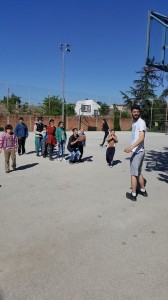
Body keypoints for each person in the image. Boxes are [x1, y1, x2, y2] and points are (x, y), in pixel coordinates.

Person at [124, 104, 148, 201]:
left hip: (137, 152)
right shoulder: (134, 122)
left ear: (139, 112)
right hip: (138, 151)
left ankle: (133, 195)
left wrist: (131, 147)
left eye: (138, 112)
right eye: (134, 112)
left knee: (134, 174)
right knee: (138, 172)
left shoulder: (141, 122)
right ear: (131, 113)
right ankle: (142, 190)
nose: (136, 113)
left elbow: (142, 138)